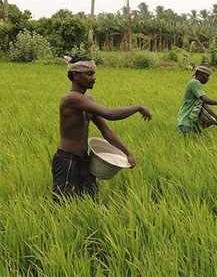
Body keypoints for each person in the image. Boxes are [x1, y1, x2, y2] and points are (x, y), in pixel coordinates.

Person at [52, 56, 152, 202]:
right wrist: (138, 107)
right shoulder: (71, 99)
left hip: (84, 159)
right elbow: (109, 113)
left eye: (94, 74)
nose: (94, 78)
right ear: (75, 75)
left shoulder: (88, 101)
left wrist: (127, 153)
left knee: (89, 201)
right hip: (67, 160)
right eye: (89, 74)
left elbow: (106, 130)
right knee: (63, 205)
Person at [176, 65, 217, 134]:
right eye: (207, 76)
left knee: (198, 142)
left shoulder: (196, 87)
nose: (208, 79)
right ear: (199, 73)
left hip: (191, 124)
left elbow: (205, 106)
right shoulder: (194, 83)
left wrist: (216, 119)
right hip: (186, 123)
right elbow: (205, 99)